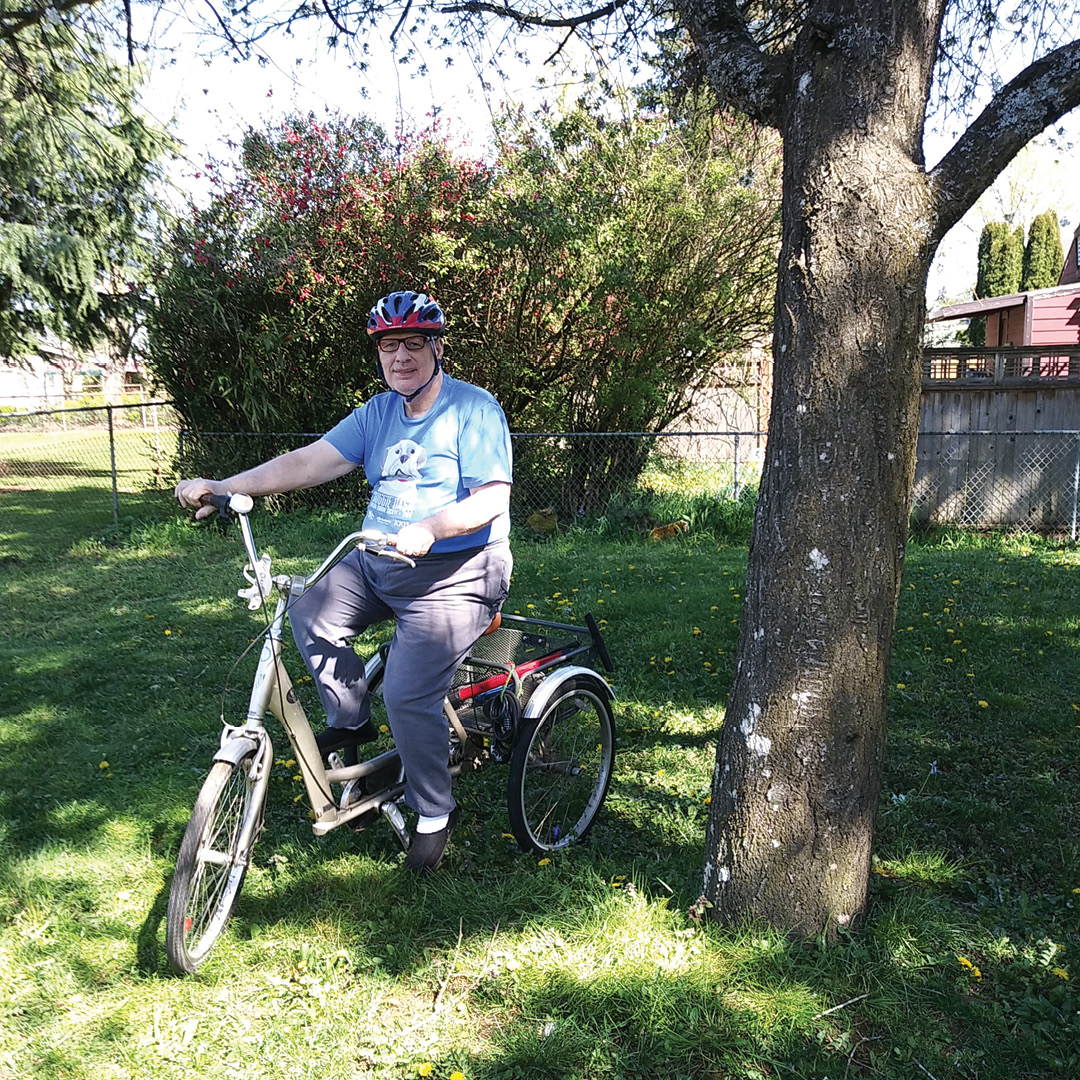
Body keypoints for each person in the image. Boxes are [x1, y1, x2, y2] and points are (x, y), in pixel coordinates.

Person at [174, 290, 513, 872]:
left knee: (409, 695)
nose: (400, 356)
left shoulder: (472, 409)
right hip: (378, 561)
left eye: (412, 343)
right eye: (388, 346)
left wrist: (431, 527)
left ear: (436, 347)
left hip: (455, 572)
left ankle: (434, 812)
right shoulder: (378, 413)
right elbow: (310, 461)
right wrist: (226, 486)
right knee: (308, 610)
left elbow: (491, 499)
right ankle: (351, 718)